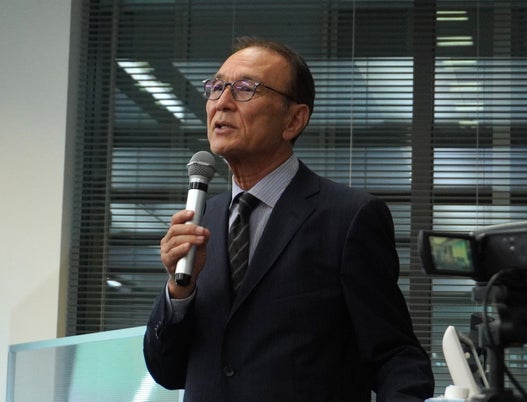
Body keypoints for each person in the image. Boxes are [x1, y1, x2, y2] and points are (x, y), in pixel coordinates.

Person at [143, 36, 434, 401]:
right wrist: (179, 290)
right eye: (216, 87)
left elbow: (395, 355)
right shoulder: (202, 220)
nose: (222, 102)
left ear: (294, 120)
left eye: (245, 89)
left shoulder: (348, 218)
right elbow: (168, 372)